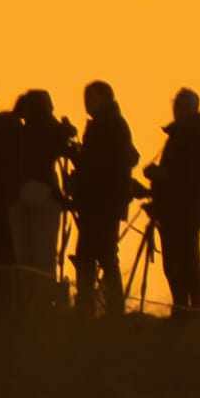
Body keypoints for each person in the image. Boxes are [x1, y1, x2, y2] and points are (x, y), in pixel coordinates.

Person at [68, 81, 139, 317]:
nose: (87, 102)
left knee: (101, 254)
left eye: (91, 97)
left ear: (104, 98)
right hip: (98, 202)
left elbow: (107, 164)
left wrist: (80, 160)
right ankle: (100, 306)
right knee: (95, 253)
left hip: (102, 203)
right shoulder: (108, 124)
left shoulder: (110, 125)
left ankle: (101, 307)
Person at [144, 89, 200, 323]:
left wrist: (160, 175)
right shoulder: (184, 133)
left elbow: (189, 175)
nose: (177, 109)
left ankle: (192, 312)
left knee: (187, 262)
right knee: (176, 263)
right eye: (177, 105)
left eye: (181, 106)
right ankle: (184, 310)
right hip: (174, 210)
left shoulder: (193, 135)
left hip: (186, 210)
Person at [7, 90, 75, 311]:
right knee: (44, 253)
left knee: (24, 255)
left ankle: (27, 303)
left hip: (17, 195)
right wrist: (68, 131)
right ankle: (43, 303)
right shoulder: (52, 129)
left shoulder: (16, 131)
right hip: (45, 194)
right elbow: (68, 148)